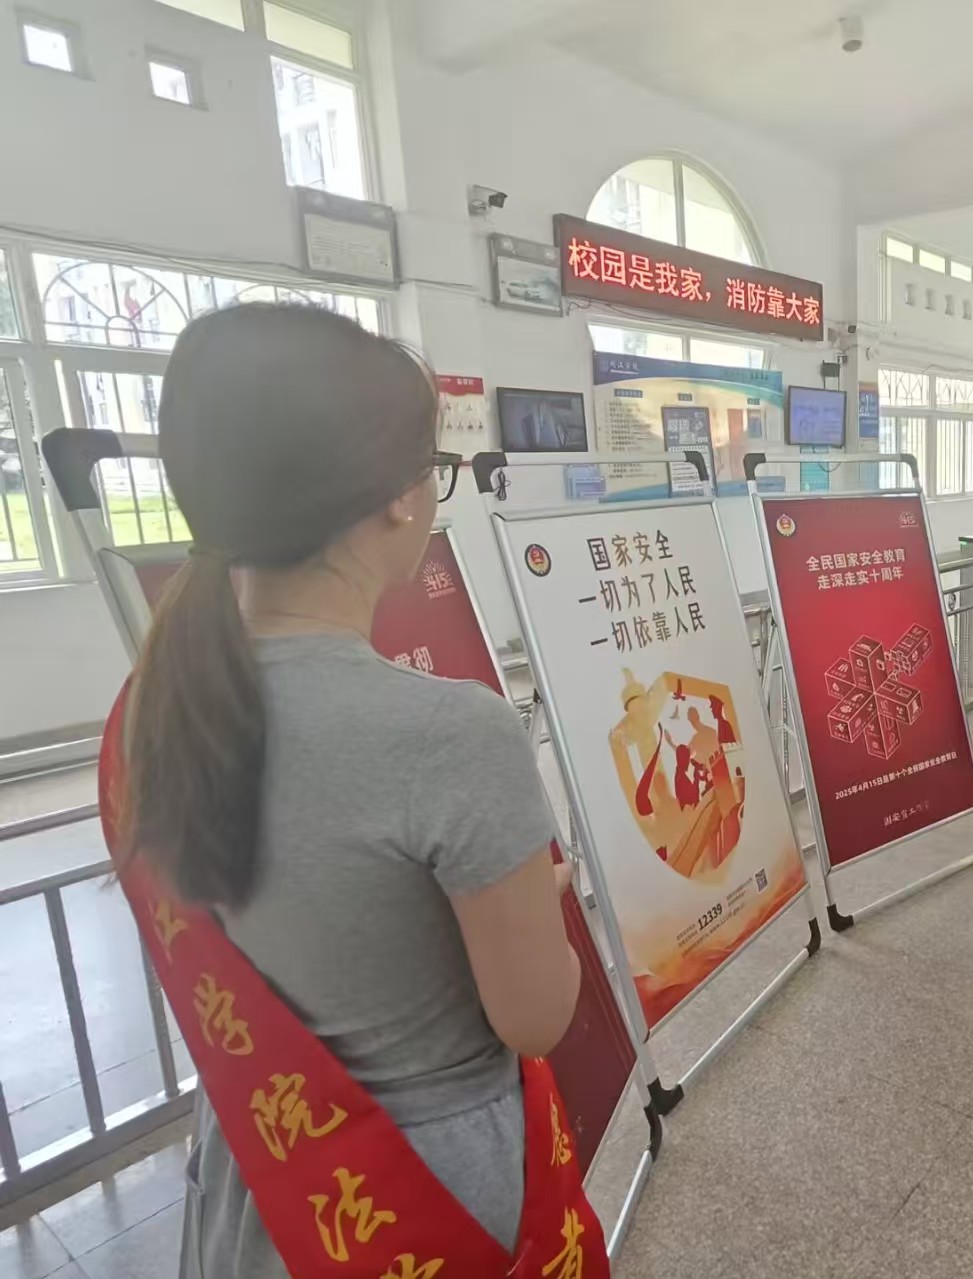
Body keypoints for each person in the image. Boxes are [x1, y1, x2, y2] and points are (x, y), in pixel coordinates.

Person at [99, 305, 606, 1278]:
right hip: (425, 1194)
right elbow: (536, 1018)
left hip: (254, 1171)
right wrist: (545, 910)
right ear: (396, 498)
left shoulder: (154, 708)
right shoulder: (450, 732)